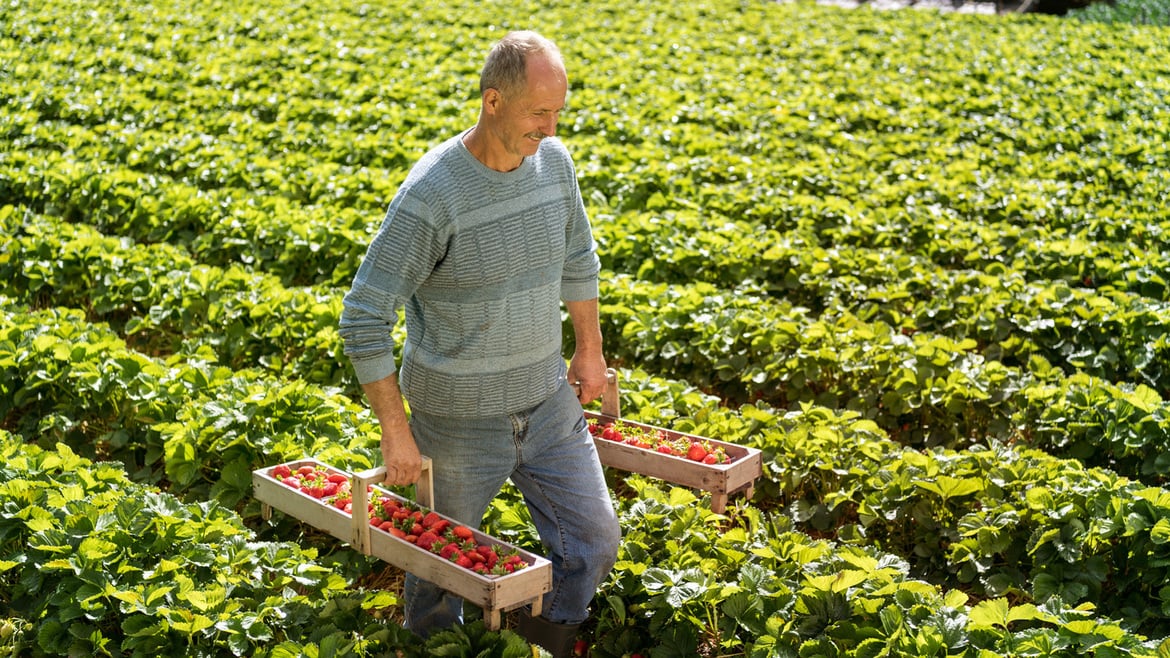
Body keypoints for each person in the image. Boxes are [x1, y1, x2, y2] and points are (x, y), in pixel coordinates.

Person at [339, 30, 621, 657]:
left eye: (558, 113)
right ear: (493, 101)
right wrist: (395, 429)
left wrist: (589, 350)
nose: (550, 129)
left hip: (547, 403)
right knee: (438, 578)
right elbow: (363, 315)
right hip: (458, 420)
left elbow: (580, 256)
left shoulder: (556, 164)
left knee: (595, 540)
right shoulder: (432, 195)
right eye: (538, 113)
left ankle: (541, 637)